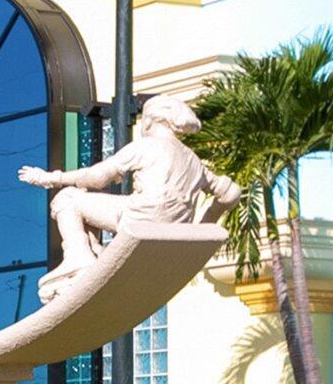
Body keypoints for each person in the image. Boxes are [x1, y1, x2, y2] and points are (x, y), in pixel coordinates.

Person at [19, 94, 241, 302]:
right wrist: (202, 227)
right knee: (88, 204)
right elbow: (231, 193)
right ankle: (93, 258)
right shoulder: (194, 161)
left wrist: (52, 178)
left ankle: (78, 256)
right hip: (173, 231)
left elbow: (96, 177)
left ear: (151, 120)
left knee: (67, 199)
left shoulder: (147, 146)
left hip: (140, 217)